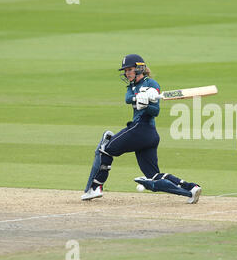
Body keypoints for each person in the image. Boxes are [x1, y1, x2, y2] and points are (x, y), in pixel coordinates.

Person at [81, 54, 202, 203]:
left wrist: (148, 103)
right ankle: (191, 189)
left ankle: (96, 187)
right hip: (148, 136)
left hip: (142, 128)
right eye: (125, 70)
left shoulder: (152, 83)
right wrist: (139, 97)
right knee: (153, 176)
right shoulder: (132, 86)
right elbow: (127, 98)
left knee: (107, 148)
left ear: (139, 69)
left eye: (129, 69)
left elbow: (155, 111)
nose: (127, 73)